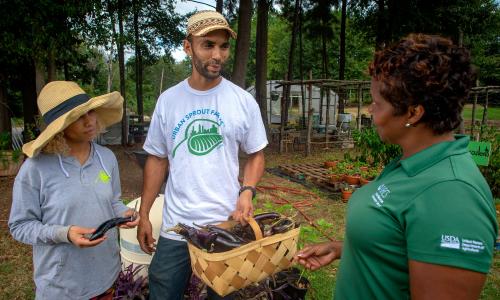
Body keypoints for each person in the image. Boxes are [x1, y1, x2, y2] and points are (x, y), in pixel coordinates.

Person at [295, 34, 498, 299]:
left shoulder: (451, 194)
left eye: (377, 103)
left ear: (413, 113)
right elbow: (403, 242)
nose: (370, 110)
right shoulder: (414, 163)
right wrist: (350, 247)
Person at [136, 10, 268, 300]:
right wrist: (144, 214)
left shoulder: (242, 101)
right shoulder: (169, 101)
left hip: (225, 224)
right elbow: (157, 159)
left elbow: (256, 153)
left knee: (225, 295)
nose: (217, 55)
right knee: (163, 292)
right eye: (208, 45)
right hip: (177, 226)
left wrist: (247, 191)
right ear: (188, 47)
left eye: (223, 46)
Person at [8, 81, 139, 300]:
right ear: (59, 126)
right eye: (78, 117)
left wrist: (122, 213)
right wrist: (64, 233)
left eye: (90, 112)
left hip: (105, 276)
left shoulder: (106, 158)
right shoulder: (35, 169)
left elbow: (113, 200)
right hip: (61, 285)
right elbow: (20, 226)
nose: (89, 121)